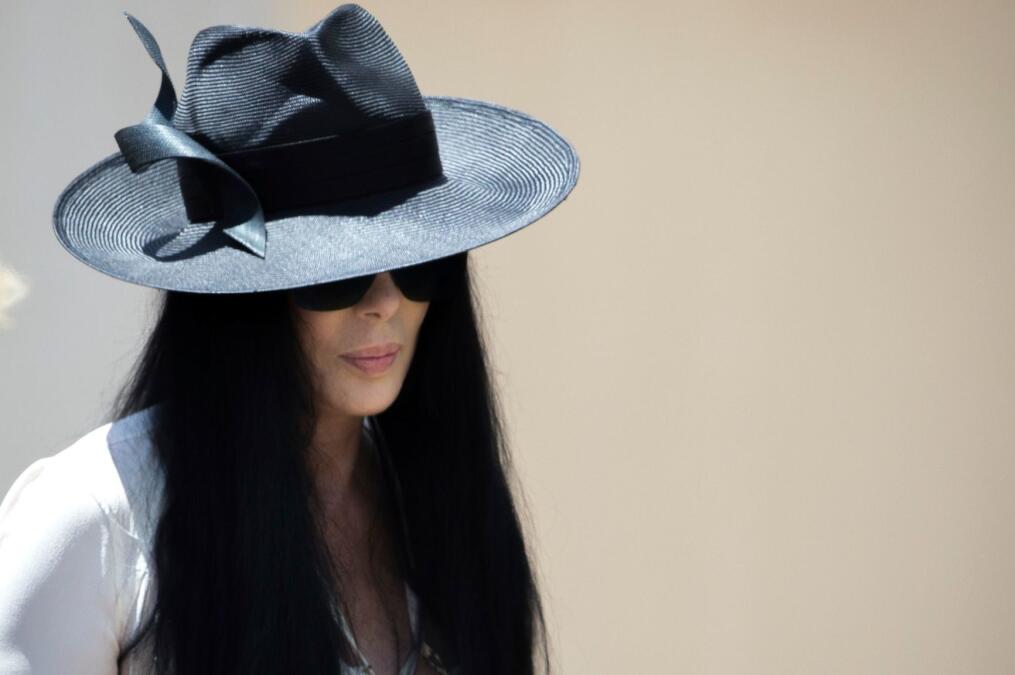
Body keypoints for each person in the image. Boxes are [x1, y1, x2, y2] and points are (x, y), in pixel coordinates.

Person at [0, 4, 580, 674]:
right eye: (338, 274)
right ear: (238, 296)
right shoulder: (91, 520)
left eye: (425, 262)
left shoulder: (437, 497)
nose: (387, 301)